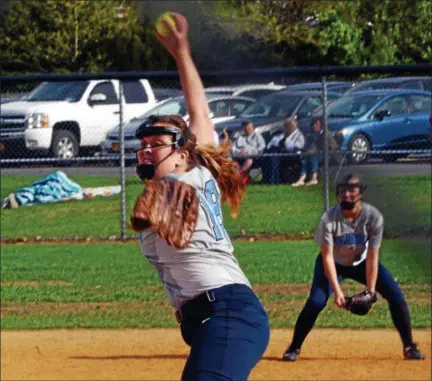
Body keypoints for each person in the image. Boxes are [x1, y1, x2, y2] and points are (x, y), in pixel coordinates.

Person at [133, 13, 270, 381]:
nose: (146, 150)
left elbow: (198, 117)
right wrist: (180, 54)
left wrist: (183, 50)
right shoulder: (192, 174)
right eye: (143, 145)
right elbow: (200, 111)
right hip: (213, 320)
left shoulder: (192, 175)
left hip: (228, 312)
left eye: (157, 144)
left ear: (182, 153)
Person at [282, 174, 425, 362]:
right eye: (343, 191)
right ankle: (294, 347)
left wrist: (371, 292)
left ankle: (409, 346)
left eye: (352, 190)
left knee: (395, 295)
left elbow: (373, 256)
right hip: (333, 264)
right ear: (337, 194)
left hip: (362, 263)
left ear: (361, 193)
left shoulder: (373, 217)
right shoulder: (329, 219)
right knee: (316, 302)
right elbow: (326, 256)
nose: (347, 195)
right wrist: (338, 292)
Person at [292, 117, 340, 187]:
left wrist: (316, 151)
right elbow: (310, 146)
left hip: (329, 155)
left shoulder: (326, 134)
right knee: (306, 156)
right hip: (317, 154)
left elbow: (332, 147)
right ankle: (302, 178)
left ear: (321, 124)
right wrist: (306, 150)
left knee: (312, 155)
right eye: (313, 124)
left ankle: (314, 178)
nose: (314, 125)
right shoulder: (312, 135)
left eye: (316, 124)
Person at [262, 117, 305, 184]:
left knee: (273, 158)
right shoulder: (280, 134)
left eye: (287, 126)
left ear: (293, 127)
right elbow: (271, 143)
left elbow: (299, 146)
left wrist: (285, 144)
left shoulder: (299, 135)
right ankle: (269, 179)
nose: (285, 128)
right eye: (285, 126)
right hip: (277, 153)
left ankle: (272, 180)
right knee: (269, 156)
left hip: (292, 155)